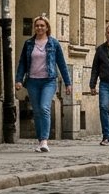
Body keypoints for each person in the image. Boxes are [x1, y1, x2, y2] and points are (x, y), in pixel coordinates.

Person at [14, 15, 72, 153]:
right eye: (37, 25)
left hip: (49, 81)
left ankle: (45, 141)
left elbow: (62, 64)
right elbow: (22, 63)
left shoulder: (54, 43)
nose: (39, 28)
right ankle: (40, 140)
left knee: (44, 107)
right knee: (37, 111)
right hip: (33, 81)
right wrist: (18, 80)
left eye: (42, 25)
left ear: (47, 28)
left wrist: (67, 83)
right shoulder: (29, 44)